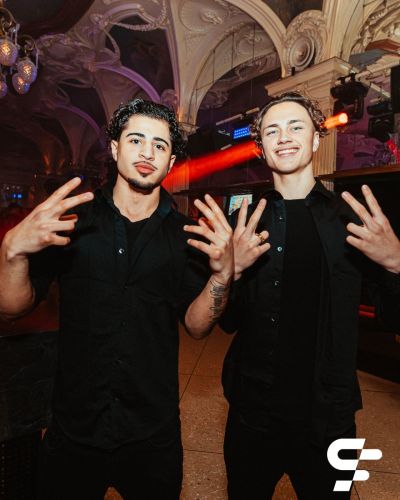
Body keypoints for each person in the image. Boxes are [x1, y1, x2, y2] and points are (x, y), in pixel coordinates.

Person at [0, 99, 234, 499]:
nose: (147, 152)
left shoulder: (185, 236)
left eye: (160, 145)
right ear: (114, 148)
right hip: (74, 429)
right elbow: (11, 307)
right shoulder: (75, 222)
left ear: (171, 161)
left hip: (152, 434)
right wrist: (11, 253)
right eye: (136, 140)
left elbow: (197, 327)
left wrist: (222, 275)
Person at [220, 91, 400, 499]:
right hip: (253, 414)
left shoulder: (352, 219)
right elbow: (227, 321)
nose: (284, 137)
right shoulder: (243, 223)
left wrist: (396, 264)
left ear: (316, 139)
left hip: (330, 418)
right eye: (272, 130)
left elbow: (393, 317)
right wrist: (229, 273)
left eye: (295, 127)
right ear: (260, 147)